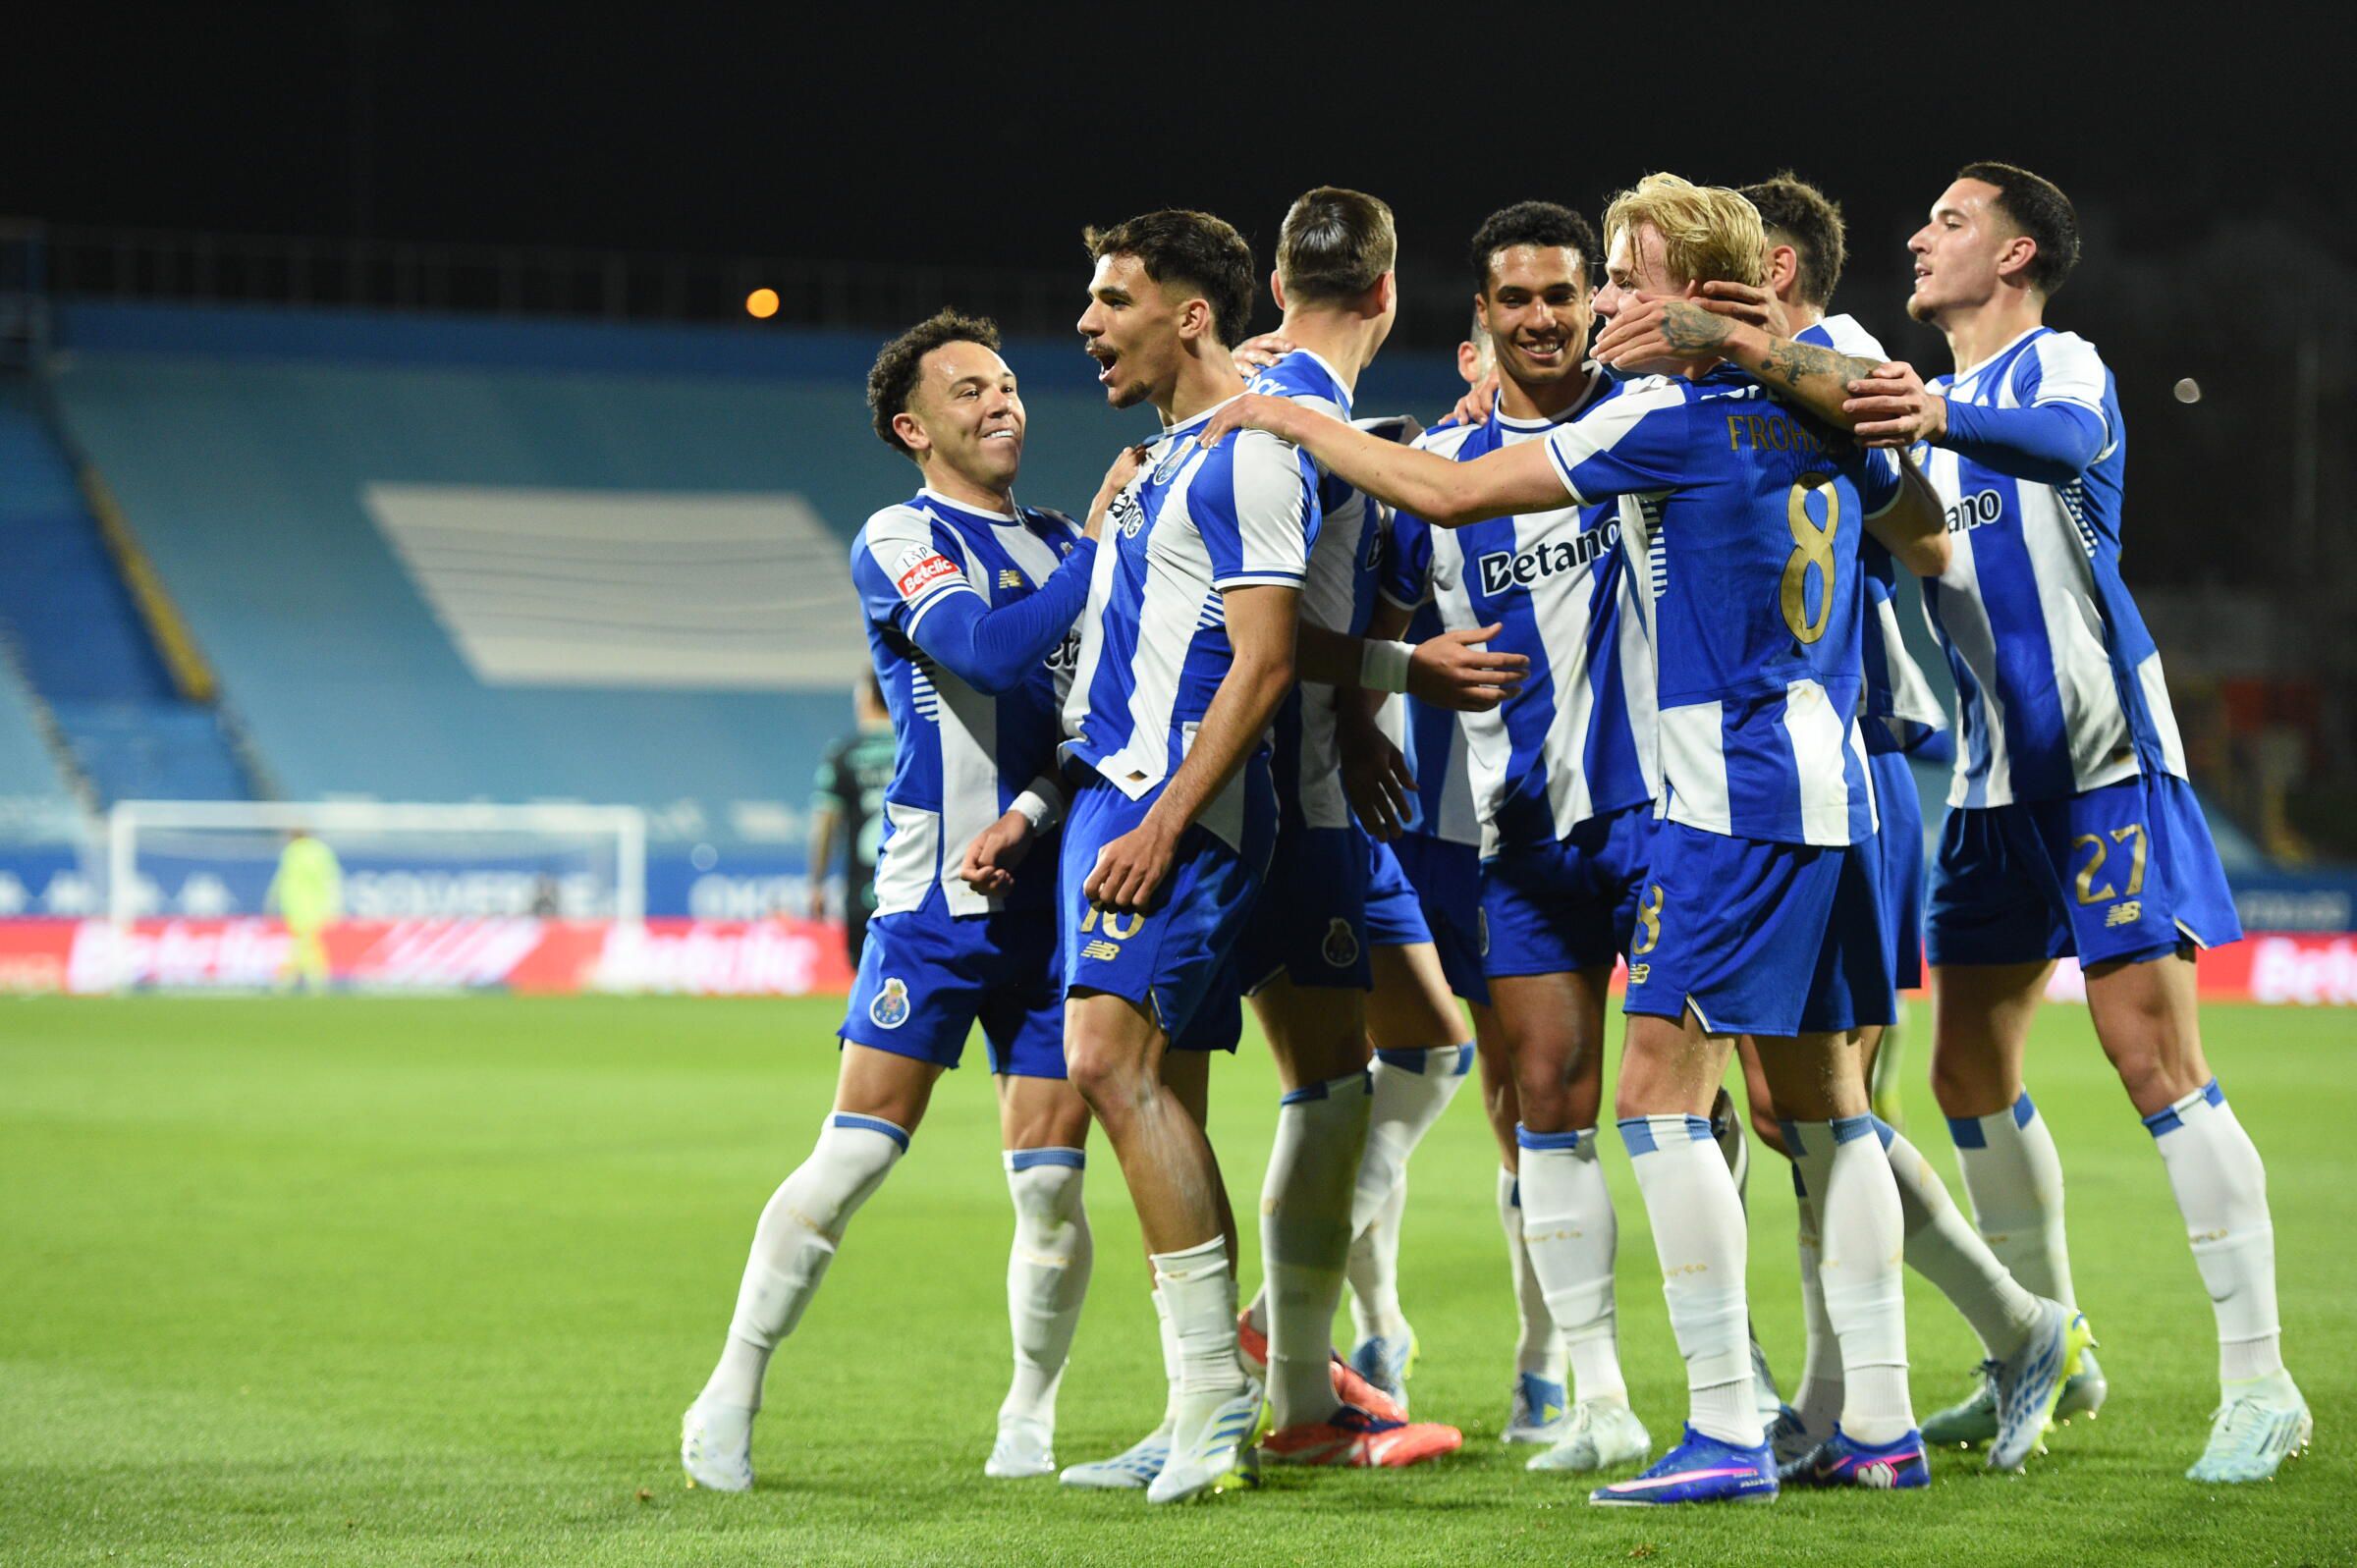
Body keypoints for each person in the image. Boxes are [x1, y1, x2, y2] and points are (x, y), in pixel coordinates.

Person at [1204, 172, 1998, 1505]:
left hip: (1720, 797)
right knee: (1826, 1108)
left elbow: (1440, 495)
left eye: (1624, 281)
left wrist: (1279, 408)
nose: (1604, 307)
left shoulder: (1671, 427)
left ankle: (1730, 1427)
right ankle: (1876, 1419)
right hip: (1837, 793)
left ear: (1693, 296)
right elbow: (1920, 529)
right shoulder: (1832, 404)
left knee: (1654, 1100)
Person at [681, 310, 1124, 1491]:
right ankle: (730, 1387)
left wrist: (1029, 812)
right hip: (933, 908)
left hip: (1049, 911)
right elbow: (981, 650)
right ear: (912, 426)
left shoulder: (1054, 541)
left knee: (1049, 1184)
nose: (1003, 404)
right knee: (854, 1159)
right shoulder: (900, 534)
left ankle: (1029, 1419)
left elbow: (1087, 732)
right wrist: (1100, 550)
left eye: (1011, 384)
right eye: (971, 390)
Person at [1708, 174, 2088, 1481]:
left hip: (1848, 770)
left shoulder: (1850, 359)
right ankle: (1840, 1402)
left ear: (1774, 272)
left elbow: (1915, 527)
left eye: (1710, 264)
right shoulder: (1750, 378)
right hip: (1769, 782)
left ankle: (2011, 1332)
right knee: (1797, 1109)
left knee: (1822, 1101)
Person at [1366, 200, 1658, 1478]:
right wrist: (1395, 669)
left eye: (1561, 293)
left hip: (1667, 819)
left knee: (1700, 1107)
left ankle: (1753, 1372)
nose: (1541, 317)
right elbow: (1328, 620)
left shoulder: (1657, 416)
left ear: (1595, 296)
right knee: (1541, 1095)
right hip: (1518, 838)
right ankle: (1584, 1386)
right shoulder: (1427, 475)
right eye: (1515, 299)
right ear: (1480, 317)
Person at [1217, 187, 1461, 1472]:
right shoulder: (1284, 422)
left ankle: (1295, 1338)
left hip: (1333, 786)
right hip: (1288, 803)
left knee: (1424, 1053)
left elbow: (1329, 600)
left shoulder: (1285, 407)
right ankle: (1290, 1369)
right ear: (1387, 293)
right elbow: (1250, 622)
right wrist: (1394, 685)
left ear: (1272, 283)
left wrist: (1367, 705)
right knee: (1329, 1091)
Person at [808, 670, 896, 967]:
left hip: (862, 894)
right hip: (913, 890)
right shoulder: (915, 748)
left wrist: (817, 883)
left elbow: (826, 823)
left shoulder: (844, 753)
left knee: (866, 982)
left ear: (867, 698)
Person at [266, 829, 341, 993]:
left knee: (304, 942)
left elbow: (282, 878)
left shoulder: (293, 852)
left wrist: (272, 899)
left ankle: (296, 980)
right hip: (313, 906)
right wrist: (334, 905)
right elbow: (332, 879)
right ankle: (309, 980)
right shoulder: (320, 851)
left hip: (298, 905)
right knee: (305, 942)